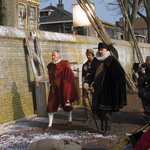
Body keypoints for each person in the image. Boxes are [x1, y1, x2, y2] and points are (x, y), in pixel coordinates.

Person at [83, 42, 127, 136]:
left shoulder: (111, 60)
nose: (100, 51)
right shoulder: (95, 60)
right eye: (99, 50)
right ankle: (102, 120)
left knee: (106, 110)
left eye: (102, 50)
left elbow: (120, 73)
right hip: (97, 89)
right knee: (94, 108)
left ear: (106, 50)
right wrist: (87, 82)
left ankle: (107, 128)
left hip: (108, 90)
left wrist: (114, 83)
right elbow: (91, 73)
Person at [44, 50, 79, 132]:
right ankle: (50, 124)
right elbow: (50, 77)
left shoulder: (64, 64)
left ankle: (70, 120)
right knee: (50, 105)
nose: (52, 57)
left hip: (63, 87)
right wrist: (51, 84)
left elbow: (69, 75)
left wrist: (67, 88)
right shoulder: (50, 66)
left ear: (59, 56)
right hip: (54, 88)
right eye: (52, 55)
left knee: (67, 104)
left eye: (54, 55)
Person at [82, 49, 94, 122]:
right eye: (87, 55)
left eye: (89, 55)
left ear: (92, 55)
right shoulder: (85, 65)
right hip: (87, 86)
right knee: (86, 102)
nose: (88, 56)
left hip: (95, 86)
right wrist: (83, 84)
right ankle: (88, 116)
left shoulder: (96, 64)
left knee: (94, 102)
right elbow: (83, 76)